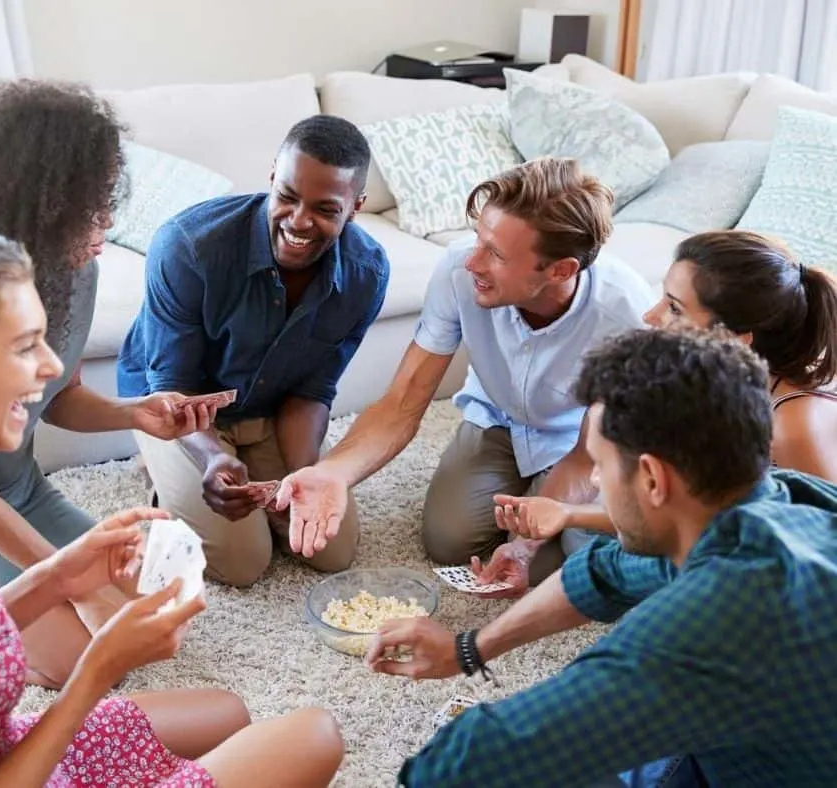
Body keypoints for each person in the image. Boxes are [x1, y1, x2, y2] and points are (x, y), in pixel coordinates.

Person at [0, 223, 344, 788]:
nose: (52, 368)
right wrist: (96, 670)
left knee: (228, 712)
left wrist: (61, 574)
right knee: (315, 735)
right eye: (22, 346)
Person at [366, 328, 837, 787]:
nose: (593, 481)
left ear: (653, 479)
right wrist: (468, 648)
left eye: (602, 464)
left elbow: (468, 761)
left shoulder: (712, 623)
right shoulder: (782, 502)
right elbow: (602, 573)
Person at [0, 79, 215, 688]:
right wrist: (71, 580)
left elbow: (58, 395)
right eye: (88, 205)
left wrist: (134, 412)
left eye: (106, 198)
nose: (107, 221)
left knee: (160, 587)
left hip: (23, 491)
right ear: (34, 203)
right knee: (80, 657)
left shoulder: (75, 275)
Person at [275, 157, 653, 581]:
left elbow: (587, 457)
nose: (472, 262)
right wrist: (332, 473)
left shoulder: (625, 315)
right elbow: (403, 402)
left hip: (574, 439)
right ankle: (529, 500)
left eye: (495, 253)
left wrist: (526, 544)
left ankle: (547, 515)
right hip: (495, 417)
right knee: (447, 540)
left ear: (560, 269)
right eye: (478, 239)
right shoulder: (459, 270)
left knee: (580, 551)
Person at [117, 114, 390, 588]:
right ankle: (163, 475)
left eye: (325, 209)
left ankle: (229, 481)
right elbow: (171, 388)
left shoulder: (367, 274)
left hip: (271, 406)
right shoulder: (187, 247)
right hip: (177, 409)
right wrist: (212, 458)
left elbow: (312, 390)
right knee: (245, 564)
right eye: (286, 196)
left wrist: (309, 474)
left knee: (331, 550)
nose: (299, 221)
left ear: (356, 207)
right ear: (271, 178)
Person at [492, 230, 837, 549]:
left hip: (789, 558)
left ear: (734, 339)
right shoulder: (706, 379)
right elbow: (691, 505)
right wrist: (561, 515)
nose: (649, 316)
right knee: (584, 536)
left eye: (674, 308)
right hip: (742, 523)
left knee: (595, 546)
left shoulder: (793, 425)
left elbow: (821, 547)